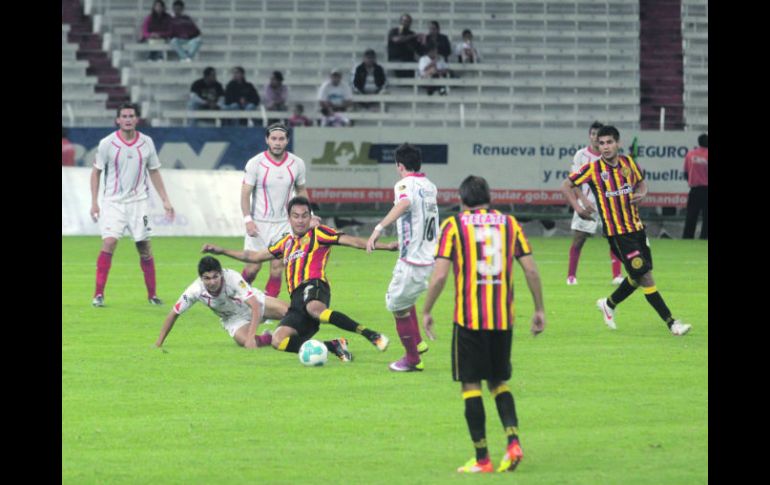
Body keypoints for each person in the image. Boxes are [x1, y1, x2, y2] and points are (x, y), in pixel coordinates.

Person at [421, 175, 546, 473]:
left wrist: (426, 310)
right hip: (503, 319)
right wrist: (539, 308)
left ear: (462, 199)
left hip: (469, 320)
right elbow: (531, 270)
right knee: (498, 381)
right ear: (489, 197)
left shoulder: (454, 225)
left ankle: (482, 459)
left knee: (471, 384)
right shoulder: (510, 224)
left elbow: (439, 276)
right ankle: (513, 442)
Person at [202, 196, 395, 361]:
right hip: (296, 301)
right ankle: (333, 346)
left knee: (314, 308)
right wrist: (222, 251)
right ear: (289, 218)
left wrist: (386, 247)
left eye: (304, 216)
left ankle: (370, 334)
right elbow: (255, 256)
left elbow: (353, 241)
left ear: (310, 217)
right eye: (296, 216)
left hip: (315, 286)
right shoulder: (285, 243)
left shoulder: (319, 233)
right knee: (278, 340)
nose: (300, 221)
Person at [560, 125, 692, 336]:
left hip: (637, 228)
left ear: (618, 143)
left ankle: (609, 304)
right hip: (617, 234)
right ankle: (672, 323)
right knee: (645, 276)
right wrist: (578, 207)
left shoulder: (628, 163)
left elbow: (641, 184)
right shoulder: (593, 169)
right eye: (601, 143)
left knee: (638, 276)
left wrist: (642, 193)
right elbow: (566, 185)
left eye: (609, 142)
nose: (605, 147)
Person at [90, 102, 175, 307]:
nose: (128, 119)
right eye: (124, 116)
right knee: (109, 242)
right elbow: (96, 172)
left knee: (144, 246)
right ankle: (98, 294)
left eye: (131, 116)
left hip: (139, 204)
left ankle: (152, 295)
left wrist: (165, 200)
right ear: (118, 120)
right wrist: (94, 202)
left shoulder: (147, 143)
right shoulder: (107, 143)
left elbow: (154, 171)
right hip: (113, 203)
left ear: (136, 119)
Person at [365, 143, 437, 371]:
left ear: (399, 165)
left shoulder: (404, 184)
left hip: (413, 260)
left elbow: (405, 203)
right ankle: (418, 342)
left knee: (397, 306)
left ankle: (412, 360)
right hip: (427, 256)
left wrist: (378, 228)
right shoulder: (430, 186)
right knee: (407, 298)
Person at [240, 122, 319, 298]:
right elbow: (245, 194)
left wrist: (311, 215)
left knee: (278, 267)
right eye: (274, 138)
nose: (277, 142)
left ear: (287, 141)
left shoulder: (297, 163)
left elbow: (301, 190)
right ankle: (237, 299)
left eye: (281, 139)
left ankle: (269, 306)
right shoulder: (255, 163)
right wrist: (248, 220)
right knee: (253, 267)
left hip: (284, 224)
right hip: (259, 224)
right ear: (267, 140)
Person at [155, 256, 289, 349]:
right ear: (201, 278)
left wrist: (251, 336)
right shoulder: (194, 291)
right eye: (207, 278)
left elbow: (255, 305)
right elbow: (174, 313)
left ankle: (295, 334)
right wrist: (158, 343)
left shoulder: (232, 277)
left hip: (249, 304)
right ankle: (270, 337)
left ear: (221, 274)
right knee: (244, 341)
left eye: (215, 277)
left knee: (289, 312)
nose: (212, 282)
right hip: (232, 318)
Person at [565, 121, 624, 286]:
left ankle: (617, 275)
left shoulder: (612, 156)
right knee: (579, 239)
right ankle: (571, 276)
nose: (595, 137)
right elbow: (572, 181)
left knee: (615, 238)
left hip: (608, 204)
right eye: (592, 134)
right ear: (589, 136)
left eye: (598, 135)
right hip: (587, 203)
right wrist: (583, 200)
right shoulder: (581, 155)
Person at [682, 133, 708, 239]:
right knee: (706, 217)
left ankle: (687, 236)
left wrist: (692, 181)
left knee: (691, 215)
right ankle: (704, 237)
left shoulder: (690, 154)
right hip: (706, 189)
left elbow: (685, 173)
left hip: (694, 189)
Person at [387, 13, 421, 78]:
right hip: (396, 59)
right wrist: (413, 36)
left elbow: (417, 49)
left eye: (408, 21)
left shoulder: (412, 33)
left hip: (409, 59)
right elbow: (396, 39)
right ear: (400, 21)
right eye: (404, 21)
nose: (406, 23)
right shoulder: (394, 31)